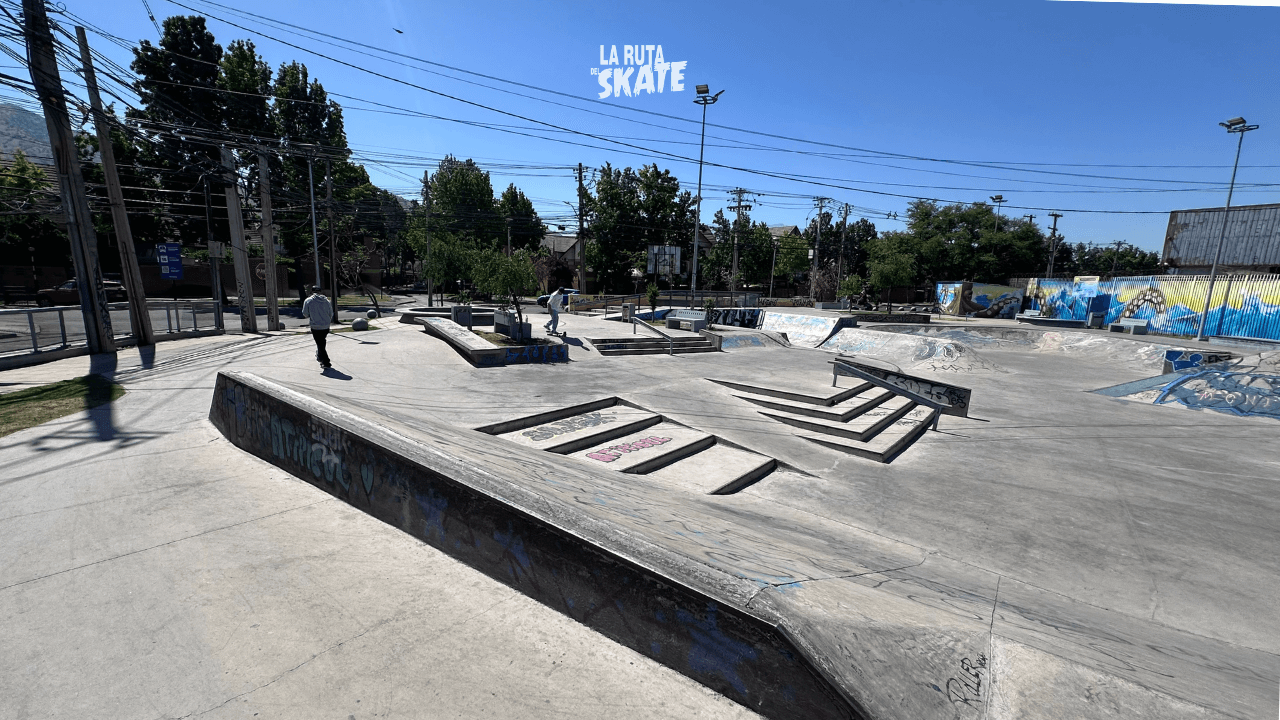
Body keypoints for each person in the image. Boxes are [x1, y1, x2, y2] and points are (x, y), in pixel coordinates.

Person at [302, 285, 333, 369]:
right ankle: (319, 356)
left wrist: (312, 315)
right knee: (321, 342)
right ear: (320, 291)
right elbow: (331, 313)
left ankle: (326, 362)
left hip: (315, 326)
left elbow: (305, 314)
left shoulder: (308, 300)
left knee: (320, 343)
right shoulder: (326, 301)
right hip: (326, 325)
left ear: (312, 291)